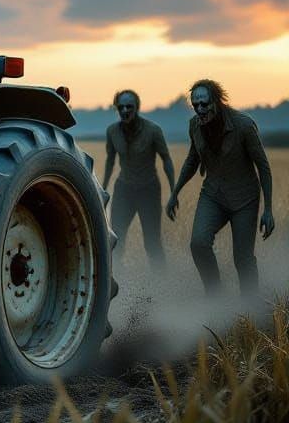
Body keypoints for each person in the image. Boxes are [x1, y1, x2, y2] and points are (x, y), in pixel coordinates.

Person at [166, 79, 275, 295]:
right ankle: (215, 297)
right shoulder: (195, 126)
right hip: (213, 195)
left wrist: (269, 210)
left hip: (245, 199)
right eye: (195, 105)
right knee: (198, 243)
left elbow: (263, 166)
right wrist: (175, 193)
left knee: (242, 259)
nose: (200, 109)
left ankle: (250, 308)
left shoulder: (244, 125)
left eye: (204, 104)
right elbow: (191, 161)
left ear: (217, 101)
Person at [101, 89, 175, 268]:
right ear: (116, 108)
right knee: (116, 239)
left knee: (152, 242)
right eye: (121, 107)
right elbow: (110, 161)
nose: (125, 110)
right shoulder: (112, 131)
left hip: (148, 189)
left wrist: (174, 192)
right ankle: (117, 282)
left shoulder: (153, 130)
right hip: (124, 189)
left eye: (129, 107)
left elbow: (166, 159)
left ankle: (162, 282)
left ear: (137, 108)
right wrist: (102, 190)